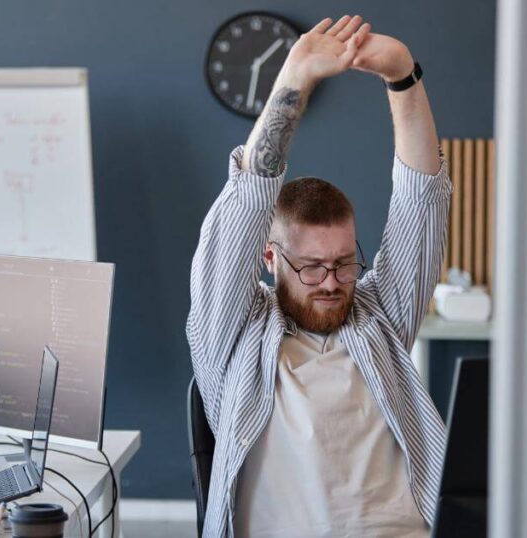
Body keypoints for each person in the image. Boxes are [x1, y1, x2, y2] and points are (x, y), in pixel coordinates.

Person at [187, 14, 452, 537]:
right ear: (269, 258)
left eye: (344, 262)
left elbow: (421, 201)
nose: (332, 282)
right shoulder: (234, 337)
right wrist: (293, 81)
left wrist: (402, 76)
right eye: (310, 267)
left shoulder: (379, 317)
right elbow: (246, 204)